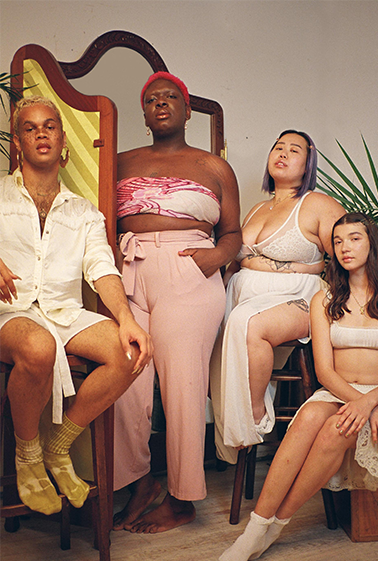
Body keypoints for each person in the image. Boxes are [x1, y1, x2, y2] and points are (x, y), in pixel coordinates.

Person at [217, 211, 378, 561]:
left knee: (338, 428)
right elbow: (324, 372)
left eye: (355, 238)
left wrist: (370, 405)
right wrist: (358, 401)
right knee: (307, 418)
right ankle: (254, 530)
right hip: (338, 391)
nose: (345, 247)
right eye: (337, 241)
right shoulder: (325, 298)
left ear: (372, 244)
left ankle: (275, 527)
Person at [0, 96, 152, 515]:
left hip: (63, 312)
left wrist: (127, 320)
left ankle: (58, 445)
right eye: (30, 128)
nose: (41, 133)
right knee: (38, 347)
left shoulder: (85, 212)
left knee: (129, 352)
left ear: (63, 139)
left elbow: (102, 268)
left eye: (49, 125)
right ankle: (27, 455)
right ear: (18, 142)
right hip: (11, 314)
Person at [112, 71, 242, 532]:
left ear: (187, 111)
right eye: (151, 99)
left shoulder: (213, 167)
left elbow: (233, 234)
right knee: (125, 381)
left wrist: (212, 260)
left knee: (183, 387)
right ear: (144, 114)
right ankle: (138, 482)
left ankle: (183, 498)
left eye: (171, 97)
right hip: (130, 272)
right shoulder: (120, 161)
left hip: (188, 271)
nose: (160, 103)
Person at [209, 130, 343, 464]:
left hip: (298, 296)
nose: (283, 153)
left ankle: (255, 417)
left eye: (294, 149)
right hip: (243, 293)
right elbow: (236, 261)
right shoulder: (257, 208)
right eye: (278, 147)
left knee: (248, 323)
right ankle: (224, 427)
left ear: (308, 162)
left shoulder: (317, 204)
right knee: (215, 324)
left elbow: (349, 251)